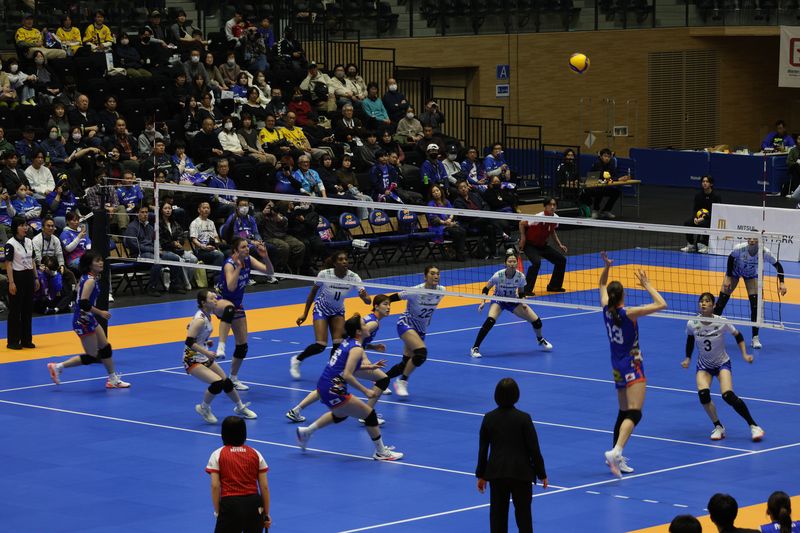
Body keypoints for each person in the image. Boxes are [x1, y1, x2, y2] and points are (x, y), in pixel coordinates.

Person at [295, 314, 404, 461]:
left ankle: (306, 432)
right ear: (358, 331)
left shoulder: (349, 342)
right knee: (369, 415)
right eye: (363, 324)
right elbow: (347, 374)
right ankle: (381, 452)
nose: (367, 326)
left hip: (325, 383)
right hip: (334, 387)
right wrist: (366, 390)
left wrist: (371, 366)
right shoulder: (356, 348)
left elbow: (347, 366)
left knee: (340, 414)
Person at [599, 251, 667, 478]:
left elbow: (601, 285)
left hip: (616, 365)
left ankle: (615, 456)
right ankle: (616, 451)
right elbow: (662, 304)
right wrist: (647, 284)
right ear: (622, 296)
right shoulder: (630, 313)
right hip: (632, 364)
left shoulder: (605, 309)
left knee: (623, 411)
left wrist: (607, 267)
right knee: (635, 412)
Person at [287, 294, 393, 423]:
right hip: (349, 359)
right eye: (385, 304)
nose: (388, 307)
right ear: (376, 306)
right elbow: (358, 340)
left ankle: (296, 410)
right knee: (383, 379)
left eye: (389, 304)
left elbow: (355, 338)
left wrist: (373, 347)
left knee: (325, 388)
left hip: (342, 356)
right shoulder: (373, 323)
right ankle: (367, 414)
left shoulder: (369, 319)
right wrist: (364, 358)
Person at [682, 292, 764, 442]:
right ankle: (718, 427)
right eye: (701, 301)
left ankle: (754, 426)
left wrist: (745, 354)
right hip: (704, 365)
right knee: (703, 395)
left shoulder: (722, 322)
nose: (703, 303)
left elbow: (738, 335)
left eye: (707, 301)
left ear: (713, 305)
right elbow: (690, 340)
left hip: (721, 363)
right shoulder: (692, 323)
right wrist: (688, 358)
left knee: (728, 396)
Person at [47, 251, 130, 388]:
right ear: (90, 265)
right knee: (92, 356)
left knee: (105, 348)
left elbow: (76, 294)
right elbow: (83, 303)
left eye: (101, 260)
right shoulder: (90, 281)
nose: (101, 263)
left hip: (88, 318)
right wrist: (101, 313)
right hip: (83, 321)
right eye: (97, 261)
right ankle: (57, 366)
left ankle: (113, 379)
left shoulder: (87, 277)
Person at [476, 377, 547, 533]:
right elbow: (534, 449)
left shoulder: (489, 418)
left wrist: (481, 475)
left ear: (496, 396)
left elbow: (483, 450)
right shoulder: (524, 418)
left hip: (497, 474)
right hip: (521, 474)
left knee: (498, 517)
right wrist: (541, 474)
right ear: (516, 395)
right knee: (524, 517)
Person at [290, 250, 370, 380]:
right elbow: (312, 293)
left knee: (338, 344)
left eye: (346, 259)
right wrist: (304, 314)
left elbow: (368, 301)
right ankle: (297, 359)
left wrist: (364, 297)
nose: (344, 262)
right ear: (334, 263)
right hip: (321, 309)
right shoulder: (324, 274)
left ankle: (331, 372)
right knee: (320, 345)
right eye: (341, 260)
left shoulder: (353, 277)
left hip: (338, 311)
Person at [186, 290, 257, 423]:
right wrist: (207, 352)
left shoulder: (207, 316)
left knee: (226, 382)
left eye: (215, 298)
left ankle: (240, 407)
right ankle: (203, 408)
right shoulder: (200, 320)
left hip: (203, 355)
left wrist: (206, 342)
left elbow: (194, 333)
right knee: (217, 383)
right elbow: (189, 342)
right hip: (191, 358)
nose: (216, 300)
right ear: (203, 302)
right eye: (212, 299)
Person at [215, 237, 275, 391]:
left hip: (237, 303)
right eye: (243, 247)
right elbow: (231, 287)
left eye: (247, 247)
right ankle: (221, 346)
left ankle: (233, 378)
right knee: (229, 309)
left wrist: (265, 256)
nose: (247, 249)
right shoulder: (229, 264)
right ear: (235, 250)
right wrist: (238, 268)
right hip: (220, 300)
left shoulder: (249, 259)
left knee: (242, 346)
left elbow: (270, 272)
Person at [471, 254, 553, 358]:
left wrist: (523, 303)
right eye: (510, 261)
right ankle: (475, 348)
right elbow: (486, 289)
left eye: (514, 261)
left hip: (513, 301)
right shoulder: (498, 275)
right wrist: (483, 301)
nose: (512, 263)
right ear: (505, 263)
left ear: (517, 263)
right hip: (499, 300)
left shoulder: (520, 276)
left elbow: (521, 292)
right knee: (490, 321)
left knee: (537, 322)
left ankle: (540, 339)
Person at [713, 237, 787, 349]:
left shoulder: (765, 252)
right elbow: (730, 258)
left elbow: (778, 266)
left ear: (759, 241)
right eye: (750, 238)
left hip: (750, 275)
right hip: (734, 272)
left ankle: (755, 338)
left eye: (755, 239)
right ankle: (710, 331)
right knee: (721, 301)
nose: (752, 240)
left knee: (755, 305)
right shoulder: (740, 248)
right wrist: (728, 277)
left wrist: (782, 283)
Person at [384, 265, 446, 398]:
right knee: (421, 354)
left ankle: (380, 380)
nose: (436, 276)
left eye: (438, 273)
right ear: (425, 277)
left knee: (405, 364)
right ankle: (402, 381)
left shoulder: (442, 290)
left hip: (421, 329)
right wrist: (381, 306)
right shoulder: (415, 291)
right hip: (406, 324)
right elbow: (392, 298)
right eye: (432, 273)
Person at [206, 416, 271, 532]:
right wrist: (265, 514)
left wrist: (218, 512)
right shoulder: (256, 453)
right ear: (244, 433)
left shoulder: (217, 454)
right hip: (254, 505)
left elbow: (215, 486)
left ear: (223, 434)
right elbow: (264, 487)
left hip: (230, 504)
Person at [518, 197, 567, 296]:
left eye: (554, 205)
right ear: (545, 206)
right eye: (550, 205)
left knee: (561, 260)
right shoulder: (538, 217)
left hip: (542, 246)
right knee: (536, 263)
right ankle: (526, 289)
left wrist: (560, 244)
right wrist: (523, 238)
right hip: (530, 245)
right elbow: (521, 223)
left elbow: (552, 231)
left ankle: (554, 286)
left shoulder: (556, 218)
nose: (552, 207)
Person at [5, 216, 38, 350]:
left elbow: (33, 260)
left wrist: (36, 278)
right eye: (22, 225)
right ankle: (13, 341)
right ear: (15, 227)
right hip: (17, 277)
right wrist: (11, 282)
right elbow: (8, 264)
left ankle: (26, 339)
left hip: (28, 275)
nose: (25, 228)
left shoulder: (29, 241)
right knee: (15, 310)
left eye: (26, 225)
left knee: (27, 309)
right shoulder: (10, 244)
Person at [427, 183, 466, 261]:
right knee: (457, 232)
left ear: (440, 191)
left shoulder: (446, 201)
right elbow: (433, 218)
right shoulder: (431, 204)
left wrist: (450, 219)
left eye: (437, 190)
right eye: (433, 192)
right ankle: (457, 254)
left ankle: (459, 253)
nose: (436, 193)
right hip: (438, 227)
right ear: (431, 194)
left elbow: (452, 211)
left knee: (462, 230)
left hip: (449, 224)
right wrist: (445, 222)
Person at [682, 175, 722, 253]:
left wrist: (703, 218)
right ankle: (691, 244)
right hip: (699, 218)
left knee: (703, 224)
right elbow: (695, 209)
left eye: (707, 181)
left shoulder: (716, 196)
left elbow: (716, 211)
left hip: (711, 218)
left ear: (711, 184)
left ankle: (706, 245)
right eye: (703, 181)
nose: (705, 183)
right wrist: (695, 218)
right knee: (687, 223)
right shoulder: (698, 195)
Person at [588, 148, 629, 219]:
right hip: (591, 187)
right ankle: (595, 210)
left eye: (609, 157)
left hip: (602, 186)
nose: (607, 158)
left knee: (616, 192)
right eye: (605, 156)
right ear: (601, 156)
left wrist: (621, 177)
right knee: (601, 190)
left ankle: (606, 211)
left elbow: (614, 175)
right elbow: (603, 177)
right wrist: (618, 179)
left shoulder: (611, 164)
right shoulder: (597, 164)